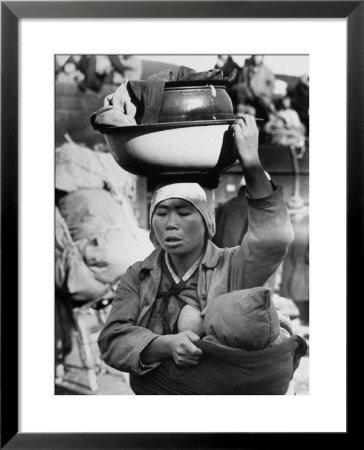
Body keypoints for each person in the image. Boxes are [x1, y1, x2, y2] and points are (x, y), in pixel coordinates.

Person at [98, 114, 295, 390]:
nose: (171, 224)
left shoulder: (234, 266)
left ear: (207, 222)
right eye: (162, 212)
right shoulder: (138, 276)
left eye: (184, 212)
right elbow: (112, 340)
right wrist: (164, 345)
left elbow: (274, 239)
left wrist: (251, 164)